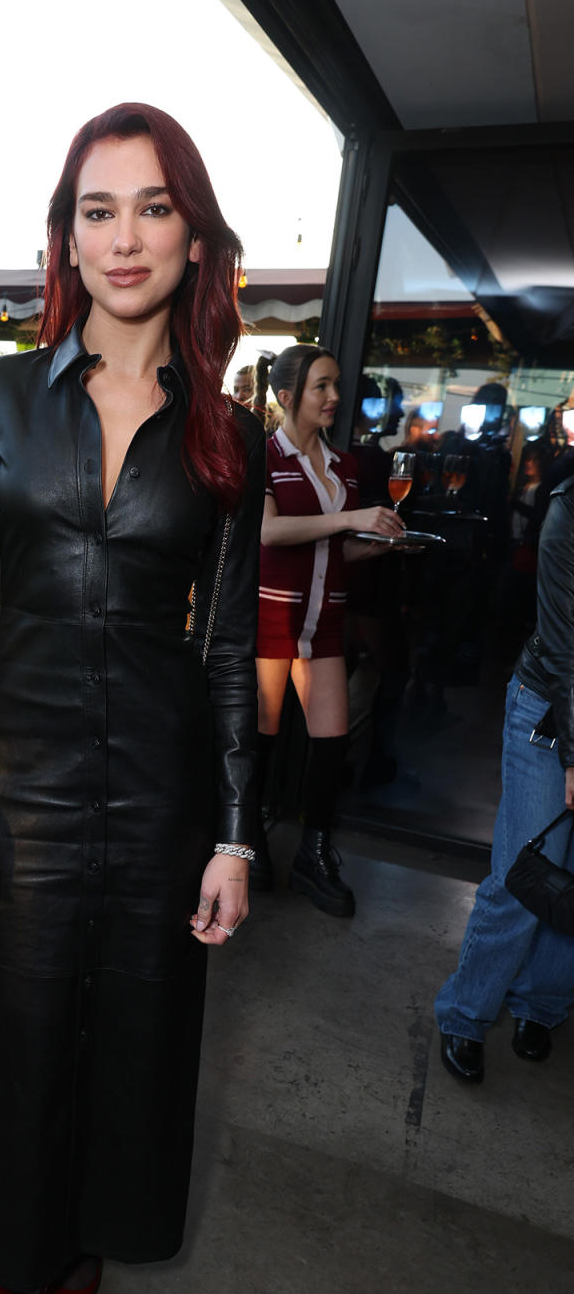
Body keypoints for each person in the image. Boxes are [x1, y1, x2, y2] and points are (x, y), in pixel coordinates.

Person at [0, 103, 264, 1294]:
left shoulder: (233, 435)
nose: (124, 237)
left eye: (153, 206)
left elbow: (229, 649)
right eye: (97, 210)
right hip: (18, 789)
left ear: (193, 236)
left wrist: (235, 836)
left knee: (131, 1036)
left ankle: (80, 1242)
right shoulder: (0, 402)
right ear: (66, 242)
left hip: (162, 797)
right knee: (15, 1036)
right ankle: (11, 1243)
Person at [249, 344, 404, 916]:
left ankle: (314, 853)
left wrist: (385, 543)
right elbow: (268, 532)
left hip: (325, 614)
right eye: (322, 387)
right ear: (288, 397)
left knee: (331, 742)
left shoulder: (345, 466)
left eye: (336, 385)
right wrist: (350, 518)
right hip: (273, 611)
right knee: (260, 739)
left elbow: (343, 547)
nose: (335, 396)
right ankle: (246, 842)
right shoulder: (263, 455)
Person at [435, 473, 574, 1082]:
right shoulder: (570, 507)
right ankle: (466, 1014)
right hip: (552, 709)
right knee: (525, 873)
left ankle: (541, 1004)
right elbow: (568, 650)